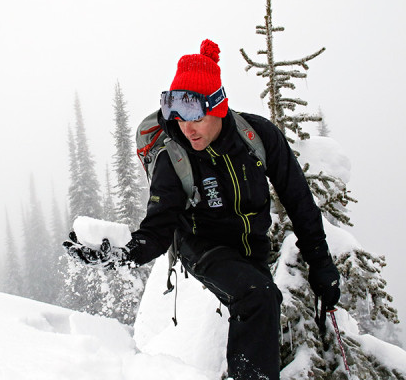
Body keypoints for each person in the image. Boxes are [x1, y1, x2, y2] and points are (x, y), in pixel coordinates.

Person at [63, 39, 340, 380]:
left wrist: (322, 265)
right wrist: (123, 253)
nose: (186, 127)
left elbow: (300, 203)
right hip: (201, 244)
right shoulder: (173, 158)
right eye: (176, 116)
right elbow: (157, 230)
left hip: (252, 248)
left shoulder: (259, 137)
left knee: (264, 305)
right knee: (259, 297)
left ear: (218, 107)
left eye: (194, 115)